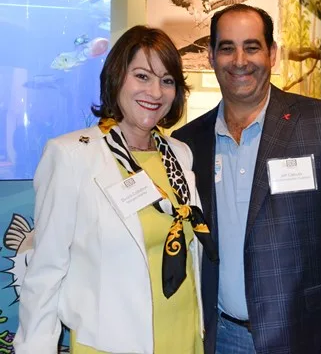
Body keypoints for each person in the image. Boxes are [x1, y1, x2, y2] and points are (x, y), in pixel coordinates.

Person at [172, 4, 321, 354]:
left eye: (252, 47)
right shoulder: (188, 142)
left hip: (305, 338)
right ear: (211, 56)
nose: (240, 60)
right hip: (219, 337)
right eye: (227, 48)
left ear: (272, 54)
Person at [14, 25, 217, 354]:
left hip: (184, 335)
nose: (155, 92)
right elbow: (45, 273)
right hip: (112, 344)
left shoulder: (179, 154)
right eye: (142, 76)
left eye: (167, 80)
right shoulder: (72, 156)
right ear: (116, 77)